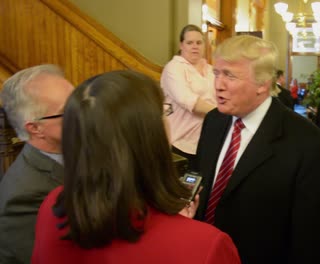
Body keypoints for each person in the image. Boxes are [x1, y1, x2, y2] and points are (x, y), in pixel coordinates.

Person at [31, 70, 240, 264]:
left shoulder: (52, 206)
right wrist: (179, 228)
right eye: (164, 112)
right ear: (150, 135)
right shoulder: (207, 246)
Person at [195, 35, 320, 263]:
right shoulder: (213, 121)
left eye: (229, 75)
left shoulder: (309, 143)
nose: (218, 85)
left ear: (262, 83)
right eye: (217, 73)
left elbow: (313, 239)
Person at [0, 64, 74, 264]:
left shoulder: (80, 150)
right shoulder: (24, 196)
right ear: (35, 128)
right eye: (68, 110)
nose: (82, 113)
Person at [161, 24, 217, 171]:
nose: (195, 47)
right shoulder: (173, 68)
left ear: (205, 45)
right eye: (189, 43)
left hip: (206, 142)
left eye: (199, 43)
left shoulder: (211, 70)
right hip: (179, 143)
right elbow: (189, 101)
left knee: (202, 188)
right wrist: (222, 113)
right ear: (181, 45)